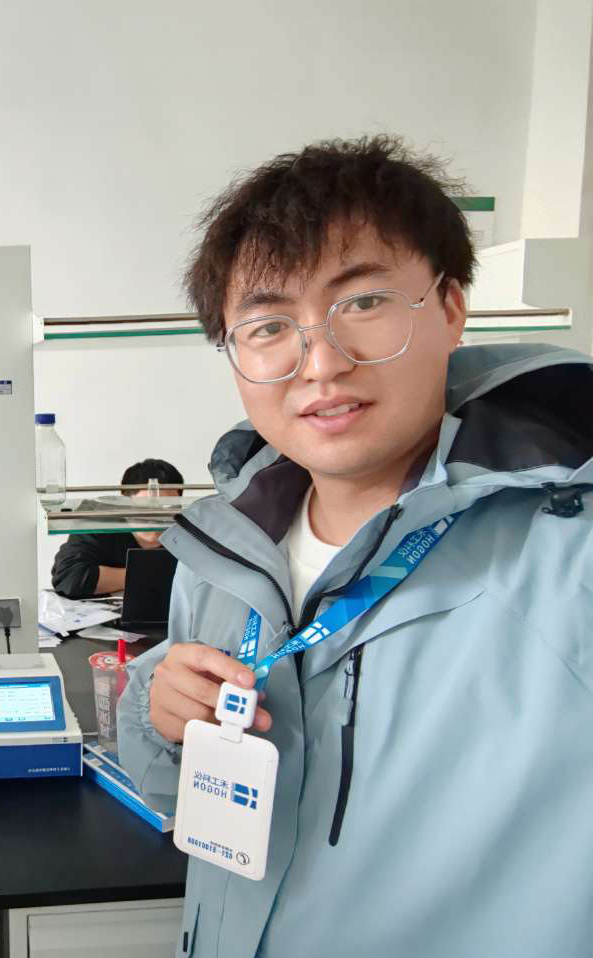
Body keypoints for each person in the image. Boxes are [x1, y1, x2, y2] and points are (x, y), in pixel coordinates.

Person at [117, 136, 593, 957]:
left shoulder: (567, 557)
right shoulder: (226, 551)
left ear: (450, 307)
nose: (321, 363)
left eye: (363, 302)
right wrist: (160, 715)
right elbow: (180, 795)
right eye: (268, 324)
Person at [50, 458, 183, 597]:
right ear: (126, 504)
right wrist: (148, 575)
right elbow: (69, 577)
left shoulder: (187, 532)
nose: (155, 517)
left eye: (168, 507)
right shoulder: (98, 524)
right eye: (145, 507)